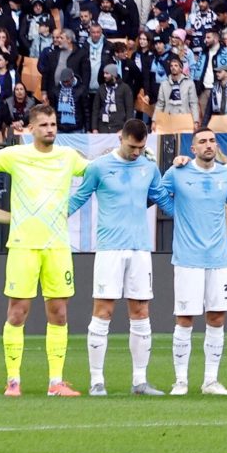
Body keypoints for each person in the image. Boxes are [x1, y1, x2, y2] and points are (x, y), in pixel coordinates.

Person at [0, 108, 91, 397]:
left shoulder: (68, 157)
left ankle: (56, 382)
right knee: (17, 313)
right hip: (23, 245)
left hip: (57, 246)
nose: (50, 129)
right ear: (30, 129)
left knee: (59, 313)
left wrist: (132, 157)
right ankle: (13, 381)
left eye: (53, 124)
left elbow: (97, 170)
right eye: (43, 125)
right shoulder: (15, 155)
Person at [66, 117, 163, 396]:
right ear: (120, 137)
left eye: (141, 147)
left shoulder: (148, 166)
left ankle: (139, 381)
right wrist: (56, 218)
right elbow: (79, 197)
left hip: (140, 249)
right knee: (103, 311)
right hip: (109, 249)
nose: (136, 152)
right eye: (133, 146)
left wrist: (175, 180)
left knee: (141, 311)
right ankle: (97, 380)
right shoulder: (99, 167)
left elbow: (162, 197)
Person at [153, 128, 227, 395]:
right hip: (188, 259)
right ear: (193, 149)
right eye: (202, 141)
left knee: (216, 317)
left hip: (218, 258)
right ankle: (180, 381)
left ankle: (210, 381)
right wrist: (176, 211)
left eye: (212, 140)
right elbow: (156, 195)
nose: (208, 145)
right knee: (185, 318)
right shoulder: (177, 172)